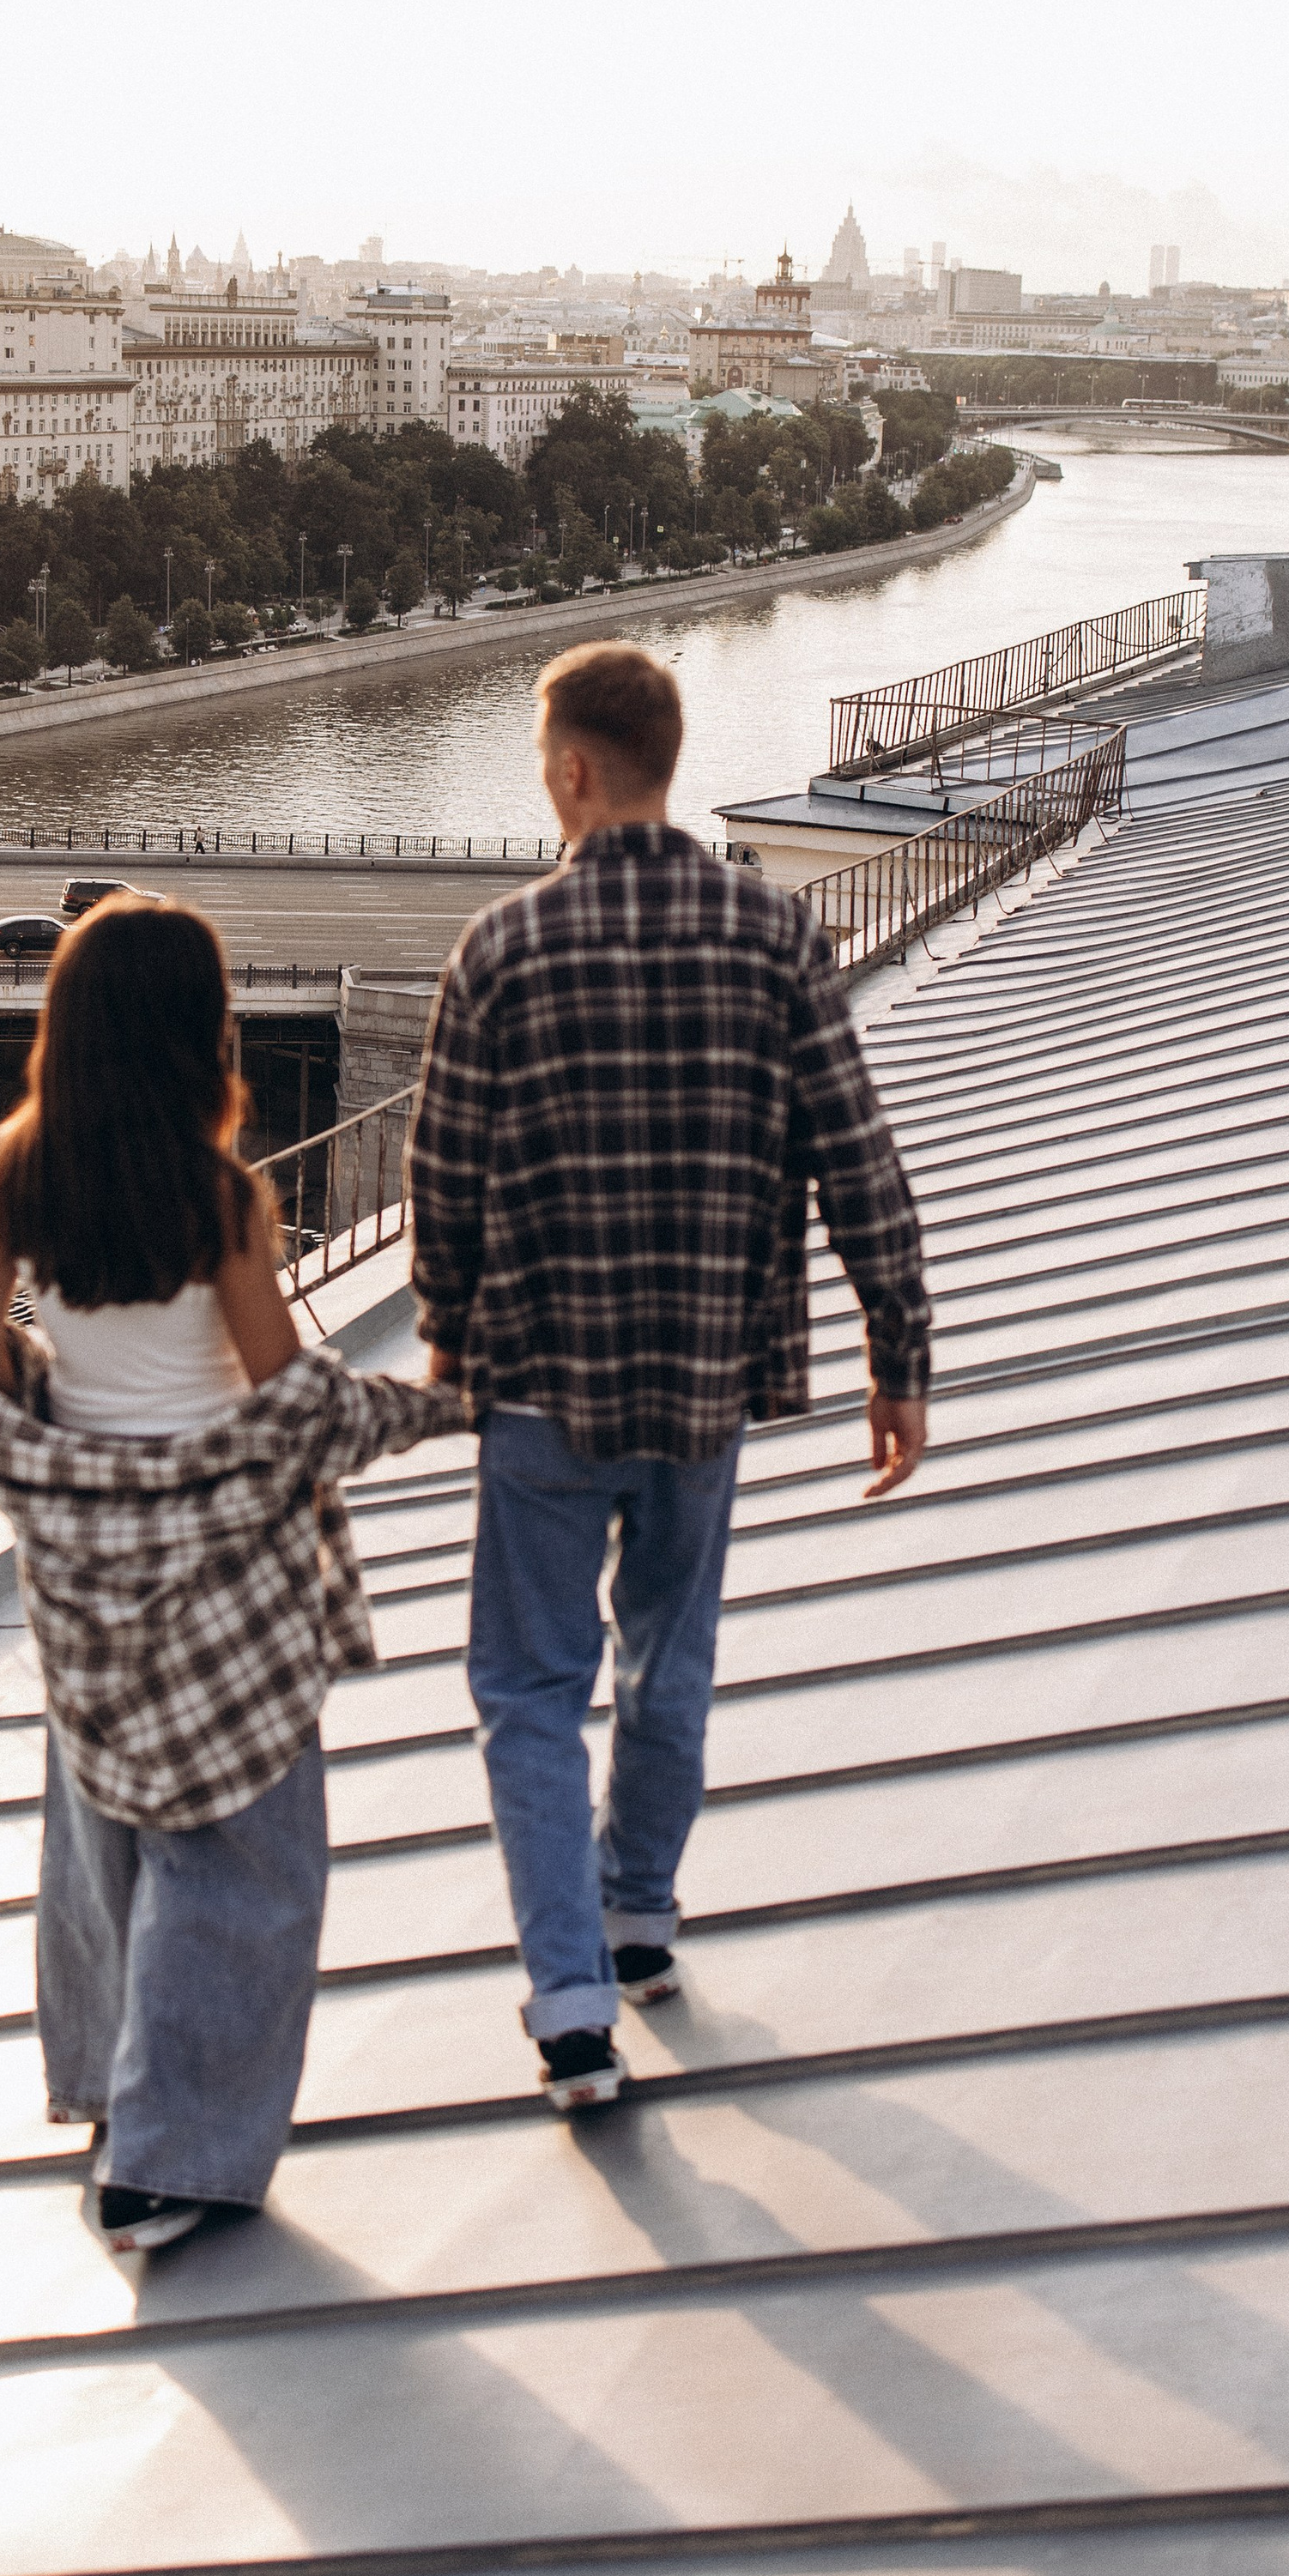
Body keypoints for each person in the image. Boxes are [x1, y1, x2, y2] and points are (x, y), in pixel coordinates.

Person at [408, 643, 930, 2112]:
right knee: (669, 1657)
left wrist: (448, 1331)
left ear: (575, 770)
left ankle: (571, 2002)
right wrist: (897, 1354)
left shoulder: (502, 949)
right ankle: (639, 1914)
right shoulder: (775, 937)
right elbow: (857, 1158)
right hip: (708, 1375)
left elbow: (443, 1174)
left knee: (527, 1686)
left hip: (541, 1383)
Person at [0, 898, 464, 2252]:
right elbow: (287, 1397)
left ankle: (113, 2094)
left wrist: (67, 1435)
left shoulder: (15, 1169)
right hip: (228, 1578)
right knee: (240, 1871)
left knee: (100, 1840)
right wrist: (432, 1407)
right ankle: (168, 2160)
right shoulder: (222, 1199)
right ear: (195, 1032)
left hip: (83, 1578)